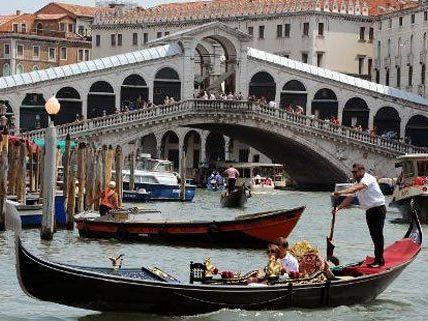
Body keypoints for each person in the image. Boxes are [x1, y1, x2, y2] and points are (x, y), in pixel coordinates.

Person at [332, 163, 386, 268]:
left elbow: (354, 189)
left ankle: (380, 260)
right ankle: (377, 259)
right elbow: (350, 198)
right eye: (352, 172)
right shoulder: (358, 182)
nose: (353, 174)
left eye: (355, 172)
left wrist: (339, 192)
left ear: (362, 171)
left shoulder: (368, 179)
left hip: (378, 209)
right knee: (373, 235)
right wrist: (338, 208)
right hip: (369, 210)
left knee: (378, 235)